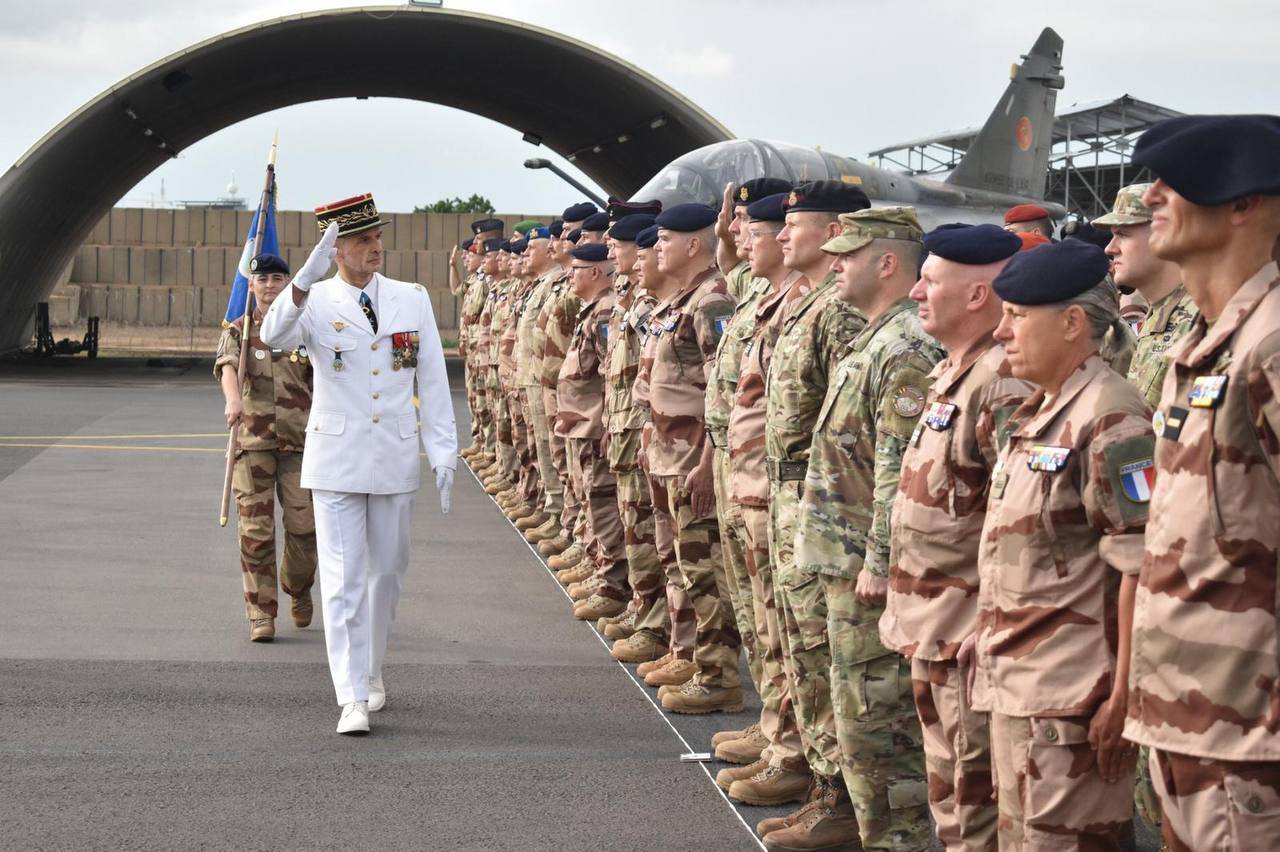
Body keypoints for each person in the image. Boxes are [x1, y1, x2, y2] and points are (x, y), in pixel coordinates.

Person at [1123, 114, 1280, 851]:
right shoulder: (1203, 346)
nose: (1152, 195)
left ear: (1244, 202)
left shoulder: (1270, 345)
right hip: (1195, 720)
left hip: (1253, 741)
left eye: (1174, 181)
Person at [964, 239, 1152, 849]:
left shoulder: (1110, 416)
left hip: (1073, 705)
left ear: (1072, 323)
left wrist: (1123, 696)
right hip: (1024, 689)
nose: (1000, 333)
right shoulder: (1044, 410)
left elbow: (1139, 566)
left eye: (1017, 317)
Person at [260, 193, 456, 735]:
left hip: (394, 453)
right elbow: (270, 334)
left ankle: (371, 672)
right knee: (344, 577)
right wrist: (304, 274)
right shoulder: (314, 300)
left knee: (387, 573)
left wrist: (444, 449)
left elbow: (431, 378)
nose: (375, 247)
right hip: (337, 456)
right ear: (336, 248)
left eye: (377, 237)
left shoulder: (410, 300)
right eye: (362, 240)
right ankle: (350, 694)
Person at [779, 207, 941, 852]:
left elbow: (895, 472)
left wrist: (879, 561)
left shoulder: (904, 348)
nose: (835, 262)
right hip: (838, 555)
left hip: (862, 569)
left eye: (849, 253)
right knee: (854, 716)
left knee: (878, 725)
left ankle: (895, 840)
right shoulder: (873, 337)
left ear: (889, 262)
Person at [880, 223, 1030, 851]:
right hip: (931, 623)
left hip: (967, 631)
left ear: (976, 297)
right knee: (951, 796)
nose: (915, 291)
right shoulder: (955, 372)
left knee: (977, 806)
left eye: (930, 281)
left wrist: (988, 621)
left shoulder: (1002, 385)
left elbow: (1021, 522)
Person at [755, 180, 868, 846]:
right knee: (799, 646)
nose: (780, 233)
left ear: (831, 233)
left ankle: (839, 799)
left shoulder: (840, 311)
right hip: (790, 496)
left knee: (822, 653)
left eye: (795, 224)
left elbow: (847, 425)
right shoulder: (807, 301)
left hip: (820, 508)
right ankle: (821, 785)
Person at [716, 192, 811, 806]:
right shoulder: (758, 291)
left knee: (784, 625)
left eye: (756, 228)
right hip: (744, 476)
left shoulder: (811, 307)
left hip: (778, 490)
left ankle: (793, 751)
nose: (744, 236)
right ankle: (775, 730)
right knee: (759, 620)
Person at [637, 202, 741, 714]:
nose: (657, 248)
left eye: (665, 240)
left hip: (692, 459)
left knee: (704, 571)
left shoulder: (712, 301)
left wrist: (706, 461)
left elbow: (724, 388)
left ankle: (719, 676)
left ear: (693, 245)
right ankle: (692, 655)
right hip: (668, 453)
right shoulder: (683, 297)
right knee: (681, 563)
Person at [216, 253, 317, 643]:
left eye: (278, 278)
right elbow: (226, 366)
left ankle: (298, 586)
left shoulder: (305, 328)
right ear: (252, 286)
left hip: (301, 444)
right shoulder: (239, 330)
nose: (270, 285)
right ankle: (260, 611)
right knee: (256, 531)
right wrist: (232, 400)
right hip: (253, 442)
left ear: (289, 283)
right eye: (263, 279)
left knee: (305, 528)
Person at [556, 242, 629, 622]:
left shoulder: (605, 312)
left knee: (603, 506)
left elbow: (609, 375)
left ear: (596, 272)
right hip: (584, 424)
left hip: (596, 425)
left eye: (577, 269)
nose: (570, 274)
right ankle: (602, 570)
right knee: (593, 503)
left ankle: (613, 585)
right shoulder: (594, 309)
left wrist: (604, 424)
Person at [1094, 182, 1200, 409]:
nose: (1110, 248)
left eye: (1122, 234)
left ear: (1166, 233)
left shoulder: (1199, 320)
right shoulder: (1156, 316)